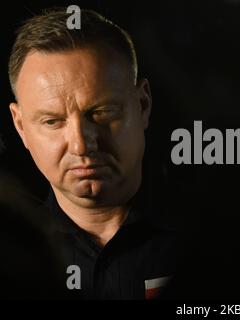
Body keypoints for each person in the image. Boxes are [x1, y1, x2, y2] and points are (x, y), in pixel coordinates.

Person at [7, 7, 176, 299]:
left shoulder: (218, 235)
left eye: (101, 113)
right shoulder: (10, 256)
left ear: (143, 104)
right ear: (20, 126)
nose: (81, 146)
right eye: (52, 121)